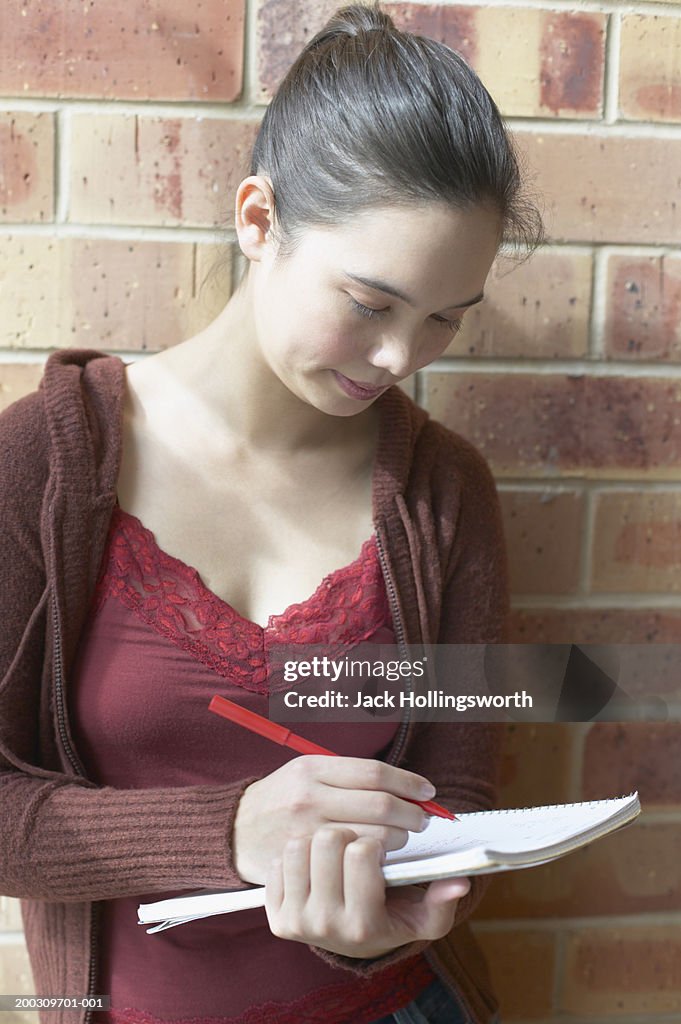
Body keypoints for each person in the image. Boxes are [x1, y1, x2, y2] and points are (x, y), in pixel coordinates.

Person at [0, 3, 543, 1023]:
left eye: (442, 322)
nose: (399, 361)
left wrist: (404, 907)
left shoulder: (444, 494)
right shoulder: (41, 464)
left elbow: (460, 792)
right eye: (371, 303)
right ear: (258, 220)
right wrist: (232, 828)